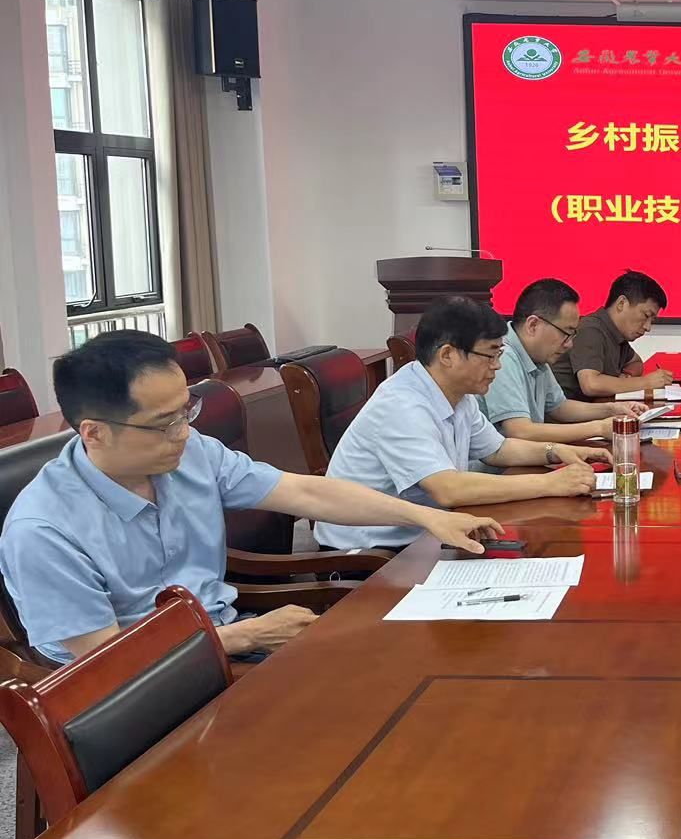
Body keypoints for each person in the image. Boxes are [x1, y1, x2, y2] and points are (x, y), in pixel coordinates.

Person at [0, 331, 500, 664]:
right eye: (163, 423)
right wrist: (243, 636)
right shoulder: (43, 532)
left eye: (186, 410)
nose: (183, 432)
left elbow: (304, 491)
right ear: (94, 432)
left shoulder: (191, 453)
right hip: (134, 693)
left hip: (226, 638)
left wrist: (427, 517)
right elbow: (104, 660)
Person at [316, 297, 597, 550]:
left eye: (499, 354)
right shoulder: (402, 405)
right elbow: (448, 489)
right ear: (447, 355)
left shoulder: (458, 393)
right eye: (490, 355)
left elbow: (498, 450)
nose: (497, 365)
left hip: (429, 533)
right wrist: (549, 483)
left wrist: (555, 452)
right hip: (370, 555)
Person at [479, 277, 648, 463]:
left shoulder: (537, 355)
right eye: (566, 333)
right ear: (533, 325)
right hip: (502, 472)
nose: (569, 344)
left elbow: (559, 407)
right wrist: (599, 428)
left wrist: (612, 409)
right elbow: (520, 431)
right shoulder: (503, 357)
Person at [558, 270, 675, 402]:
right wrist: (646, 382)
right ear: (621, 303)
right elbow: (591, 384)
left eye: (652, 320)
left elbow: (636, 362)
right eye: (646, 315)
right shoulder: (591, 329)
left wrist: (626, 376)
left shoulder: (617, 333)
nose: (648, 327)